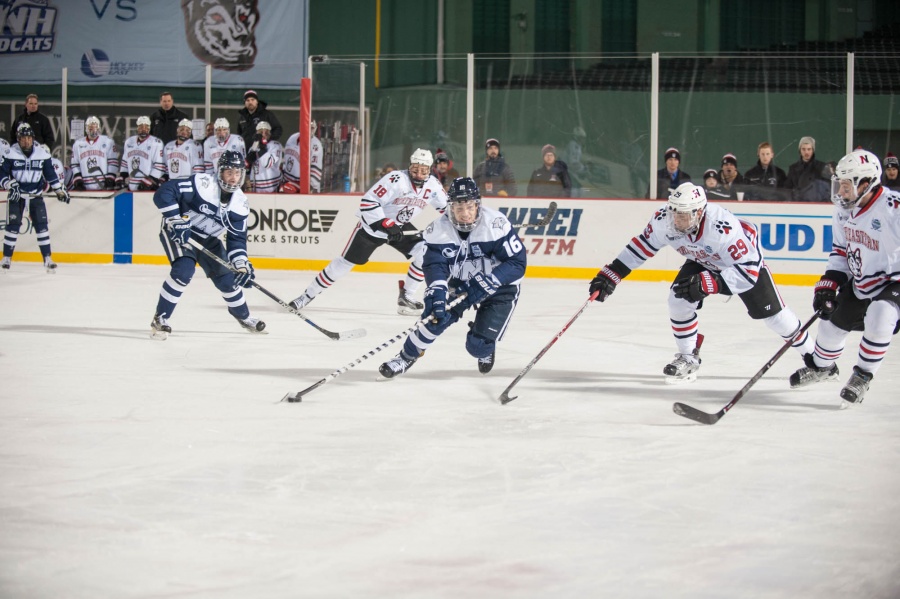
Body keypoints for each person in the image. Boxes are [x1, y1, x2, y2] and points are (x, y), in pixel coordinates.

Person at [588, 182, 816, 383]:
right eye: (675, 212)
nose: (677, 219)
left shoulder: (722, 227)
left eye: (684, 214)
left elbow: (748, 272)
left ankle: (817, 361)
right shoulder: (663, 220)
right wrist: (612, 274)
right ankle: (688, 358)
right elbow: (641, 247)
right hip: (703, 258)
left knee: (774, 318)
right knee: (678, 298)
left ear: (699, 212)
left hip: (740, 264)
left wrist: (713, 282)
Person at [378, 177, 527, 378]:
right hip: (462, 283)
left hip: (501, 287)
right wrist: (437, 291)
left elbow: (517, 263)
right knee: (434, 316)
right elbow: (435, 266)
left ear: (478, 204)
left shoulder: (496, 225)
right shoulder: (437, 230)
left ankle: (484, 339)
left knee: (477, 348)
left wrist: (490, 280)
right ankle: (405, 357)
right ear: (450, 208)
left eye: (469, 207)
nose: (465, 214)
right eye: (459, 208)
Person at [788, 149, 900, 407]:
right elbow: (841, 250)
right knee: (830, 325)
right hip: (863, 281)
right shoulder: (843, 210)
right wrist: (829, 284)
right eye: (839, 184)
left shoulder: (893, 209)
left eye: (847, 185)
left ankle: (862, 375)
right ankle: (823, 368)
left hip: (894, 281)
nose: (841, 191)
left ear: (866, 183)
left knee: (880, 314)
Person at [289, 149, 448, 316]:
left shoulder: (434, 185)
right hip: (373, 228)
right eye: (415, 169)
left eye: (423, 170)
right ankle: (307, 296)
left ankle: (406, 297)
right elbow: (369, 201)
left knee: (425, 252)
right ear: (409, 166)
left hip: (400, 228)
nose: (418, 174)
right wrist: (385, 223)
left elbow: (447, 209)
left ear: (430, 169)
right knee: (343, 265)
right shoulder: (396, 179)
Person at [149, 150, 265, 339]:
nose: (233, 178)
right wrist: (176, 220)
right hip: (180, 232)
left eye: (237, 173)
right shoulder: (202, 184)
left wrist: (241, 265)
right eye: (229, 172)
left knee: (229, 279)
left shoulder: (241, 205)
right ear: (220, 172)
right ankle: (161, 318)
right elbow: (165, 191)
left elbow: (236, 239)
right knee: (183, 271)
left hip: (208, 239)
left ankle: (244, 316)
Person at [0, 124, 70, 272]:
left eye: (29, 138)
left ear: (33, 139)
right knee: (12, 227)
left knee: (42, 227)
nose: (27, 141)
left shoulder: (42, 154)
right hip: (17, 196)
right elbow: (2, 174)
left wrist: (59, 190)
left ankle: (47, 258)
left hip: (35, 196)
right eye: (23, 138)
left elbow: (50, 175)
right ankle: (6, 258)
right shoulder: (10, 153)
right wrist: (10, 185)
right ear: (18, 139)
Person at [70, 116, 120, 191]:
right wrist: (78, 179)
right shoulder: (78, 144)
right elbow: (75, 164)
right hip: (85, 187)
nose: (93, 130)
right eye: (90, 128)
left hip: (104, 186)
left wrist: (110, 177)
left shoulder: (108, 141)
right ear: (86, 129)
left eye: (95, 127)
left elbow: (113, 162)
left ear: (99, 128)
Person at [119, 116, 166, 191]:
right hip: (131, 185)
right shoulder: (129, 141)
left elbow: (160, 166)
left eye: (146, 126)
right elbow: (125, 162)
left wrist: (150, 180)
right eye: (141, 126)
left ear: (149, 128)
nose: (144, 129)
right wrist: (122, 177)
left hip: (147, 186)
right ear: (137, 128)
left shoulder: (156, 143)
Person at [281, 120, 323, 193]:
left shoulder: (316, 145)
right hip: (288, 184)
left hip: (305, 187)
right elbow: (286, 160)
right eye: (308, 127)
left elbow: (315, 168)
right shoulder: (292, 138)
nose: (310, 130)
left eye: (312, 128)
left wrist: (311, 188)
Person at [784, 136, 830, 202]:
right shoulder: (793, 168)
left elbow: (827, 190)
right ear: (800, 150)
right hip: (797, 205)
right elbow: (787, 189)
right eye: (804, 149)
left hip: (817, 205)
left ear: (813, 150)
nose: (806, 152)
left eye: (809, 149)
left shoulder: (821, 167)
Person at [246, 121, 283, 193]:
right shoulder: (253, 146)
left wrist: (261, 146)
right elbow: (248, 167)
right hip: (256, 188)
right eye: (260, 132)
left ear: (270, 133)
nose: (263, 134)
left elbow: (267, 163)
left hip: (272, 187)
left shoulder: (275, 145)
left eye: (266, 132)